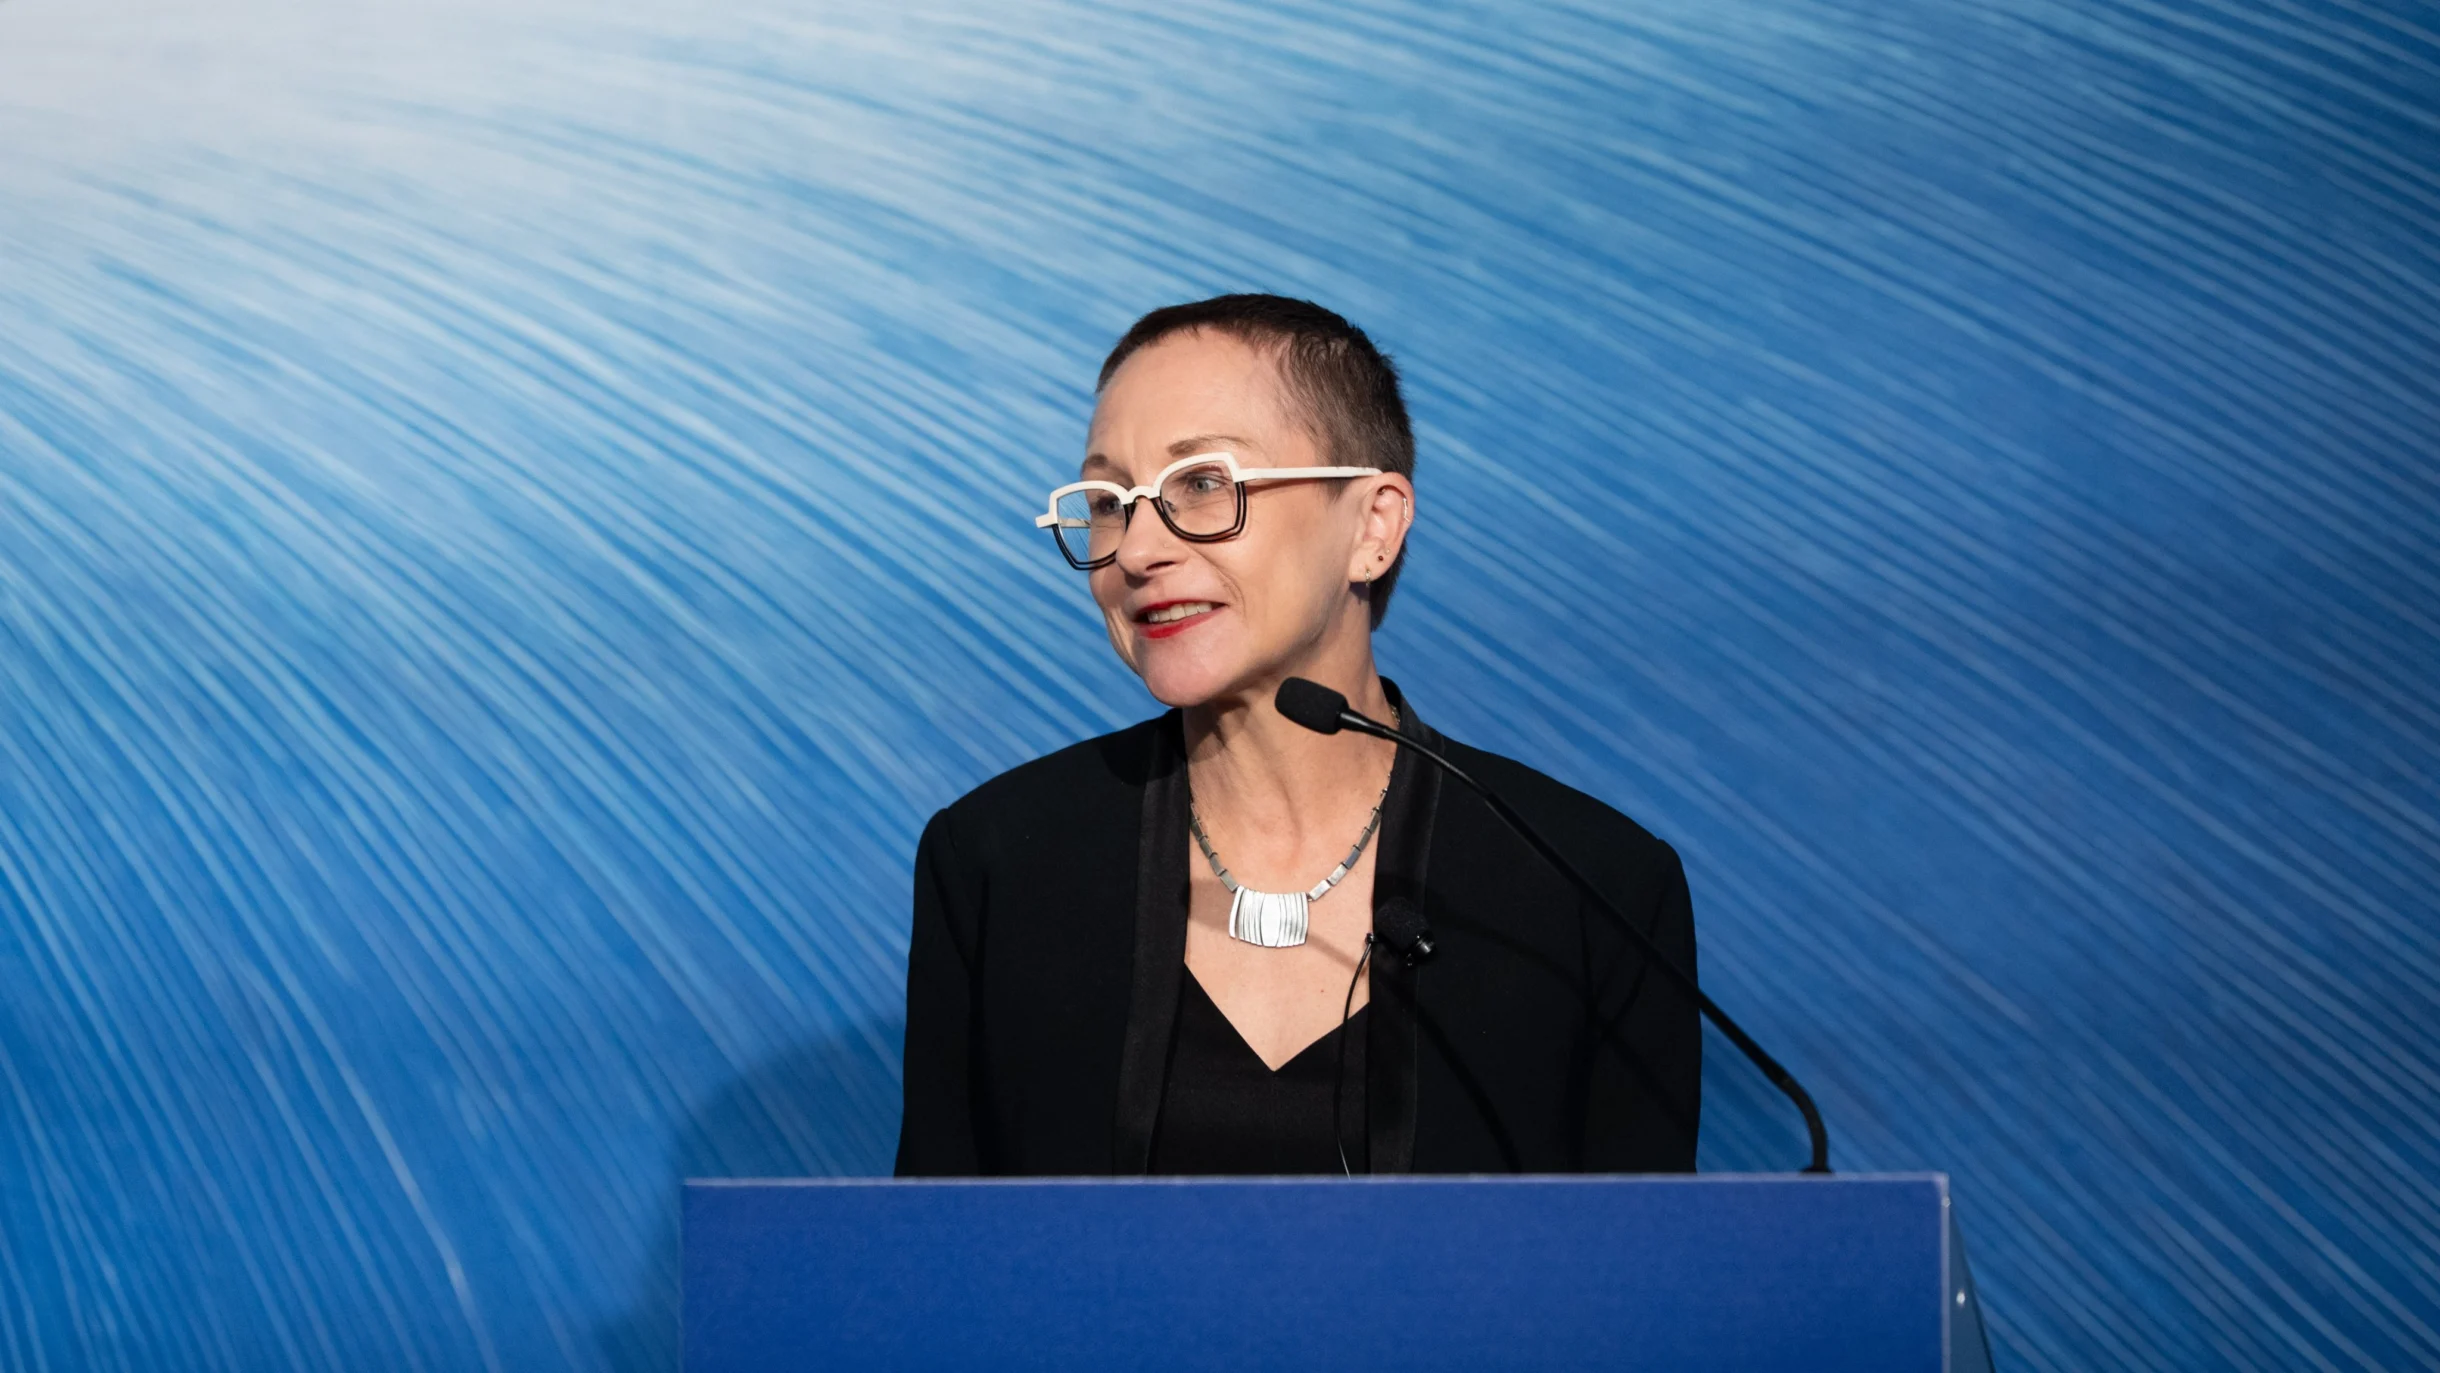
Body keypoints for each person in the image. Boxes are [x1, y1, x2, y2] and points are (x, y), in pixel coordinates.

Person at [895, 294, 1699, 1176]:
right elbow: (937, 1246)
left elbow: (1641, 1257)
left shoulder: (1590, 891)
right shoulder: (998, 863)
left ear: (1372, 526)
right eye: (1112, 501)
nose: (1136, 551)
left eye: (1204, 484)